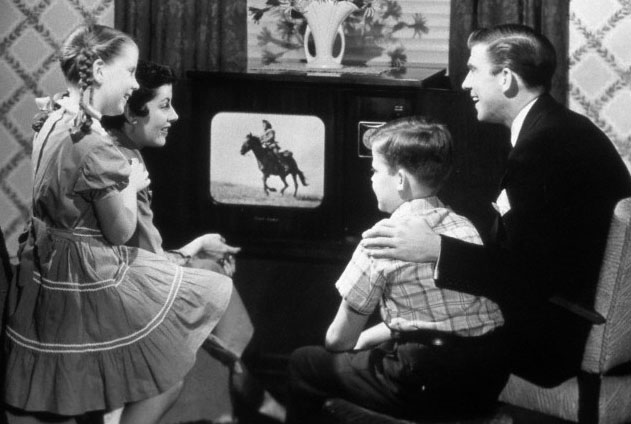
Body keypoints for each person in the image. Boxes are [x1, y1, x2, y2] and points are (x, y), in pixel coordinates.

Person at [361, 24, 631, 387]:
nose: (466, 85)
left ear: (505, 78)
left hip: (555, 342)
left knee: (409, 355)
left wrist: (434, 247)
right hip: (575, 321)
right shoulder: (561, 129)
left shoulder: (541, 149)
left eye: (473, 70)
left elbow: (528, 276)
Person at [2, 25, 234, 424]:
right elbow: (121, 232)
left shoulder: (57, 118)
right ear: (98, 69)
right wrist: (130, 184)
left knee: (93, 385)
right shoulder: (98, 149)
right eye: (128, 71)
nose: (133, 82)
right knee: (164, 372)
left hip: (46, 267)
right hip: (82, 276)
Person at [286, 117, 509, 423]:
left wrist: (354, 343)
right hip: (483, 377)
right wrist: (372, 338)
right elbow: (441, 317)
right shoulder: (464, 226)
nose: (371, 179)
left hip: (421, 378)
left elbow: (339, 340)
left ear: (401, 180)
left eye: (375, 171)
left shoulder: (381, 238)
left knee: (303, 363)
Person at [100, 60, 285, 423]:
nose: (176, 116)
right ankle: (236, 399)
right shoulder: (121, 164)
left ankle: (237, 397)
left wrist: (193, 248)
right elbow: (133, 262)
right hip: (118, 297)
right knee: (214, 285)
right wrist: (189, 257)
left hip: (132, 280)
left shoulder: (125, 151)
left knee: (210, 268)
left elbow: (140, 252)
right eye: (164, 105)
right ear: (133, 113)